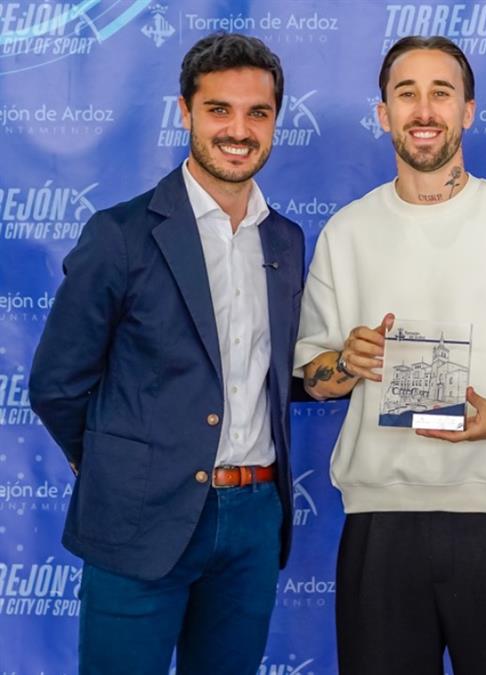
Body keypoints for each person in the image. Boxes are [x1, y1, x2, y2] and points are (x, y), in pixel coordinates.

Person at [293, 35, 486, 675]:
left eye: (442, 93)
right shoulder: (346, 233)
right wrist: (346, 363)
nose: (424, 109)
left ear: (469, 111)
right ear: (383, 113)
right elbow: (312, 379)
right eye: (407, 94)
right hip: (381, 521)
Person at [28, 33, 304, 674]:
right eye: (219, 110)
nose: (239, 129)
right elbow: (57, 383)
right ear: (186, 112)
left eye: (257, 113)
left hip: (253, 522)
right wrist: (119, 464)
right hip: (137, 520)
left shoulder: (286, 240)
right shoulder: (120, 235)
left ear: (274, 121)